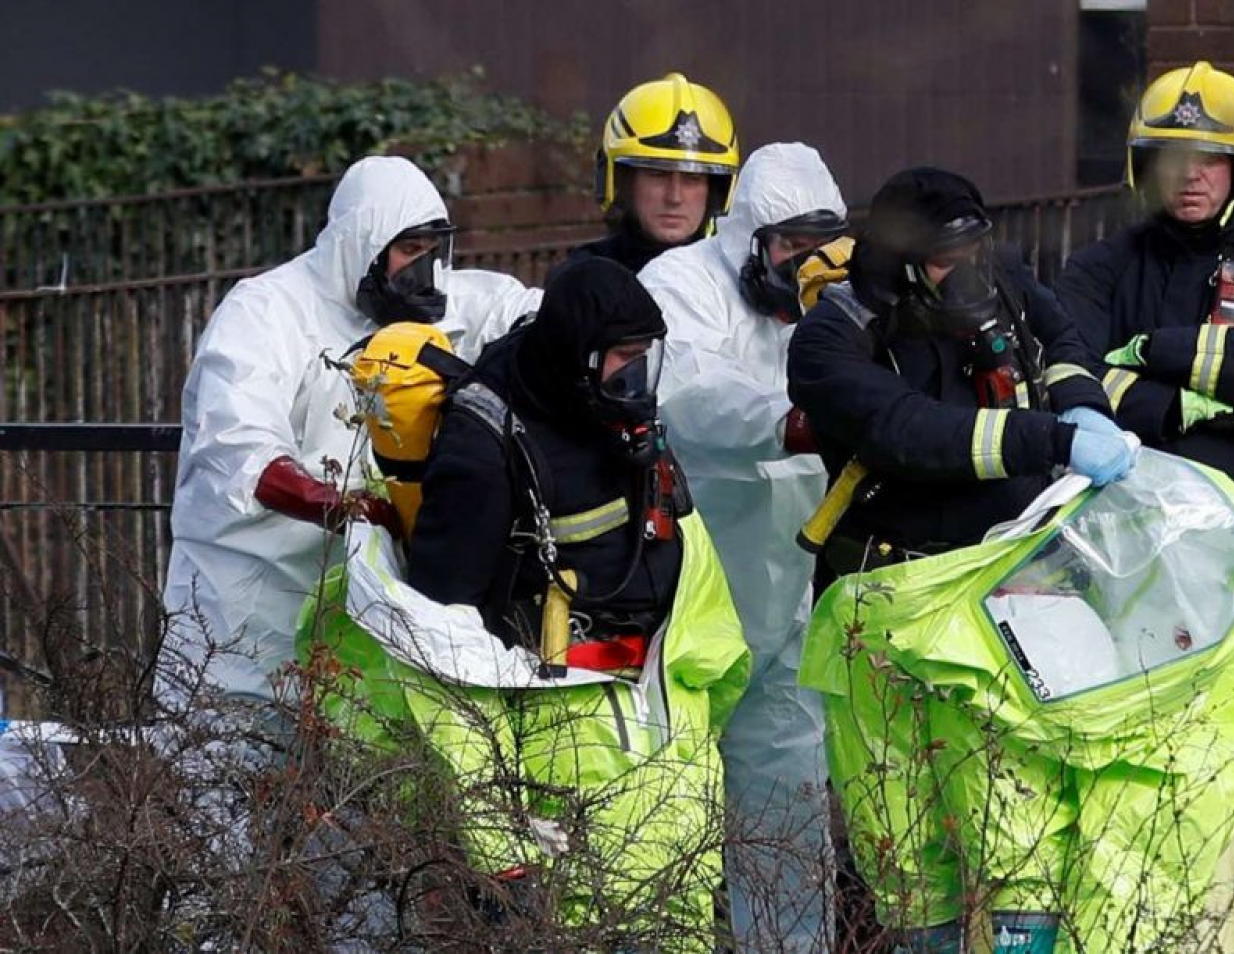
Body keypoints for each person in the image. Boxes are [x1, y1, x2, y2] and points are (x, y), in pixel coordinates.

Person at [786, 167, 1136, 950]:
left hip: (1014, 586)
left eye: (976, 248)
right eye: (949, 257)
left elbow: (1065, 339)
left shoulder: (999, 275)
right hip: (889, 600)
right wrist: (1051, 438)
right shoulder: (833, 336)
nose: (969, 270)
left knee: (1022, 823)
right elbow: (911, 433)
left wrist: (1082, 402)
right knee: (902, 839)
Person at [403, 258, 749, 944]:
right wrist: (500, 848)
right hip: (565, 764)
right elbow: (437, 648)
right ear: (576, 356)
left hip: (669, 743)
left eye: (643, 363)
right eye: (621, 362)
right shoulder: (487, 441)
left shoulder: (609, 417)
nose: (634, 383)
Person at [160, 156, 543, 710]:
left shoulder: (451, 308)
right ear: (360, 247)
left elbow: (541, 318)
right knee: (227, 772)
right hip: (247, 613)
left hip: (367, 619)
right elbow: (239, 449)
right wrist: (343, 506)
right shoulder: (266, 312)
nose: (426, 270)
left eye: (435, 250)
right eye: (409, 251)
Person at [638, 142, 848, 951]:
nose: (805, 264)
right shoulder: (683, 284)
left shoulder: (839, 296)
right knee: (665, 812)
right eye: (789, 246)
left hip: (790, 597)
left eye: (819, 243)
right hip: (693, 599)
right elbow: (689, 393)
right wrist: (794, 419)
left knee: (788, 820)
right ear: (750, 238)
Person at [1055, 60, 1234, 509]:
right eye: (1173, 159)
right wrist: (1177, 408)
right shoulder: (1098, 268)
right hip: (1122, 515)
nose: (1191, 175)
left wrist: (1148, 352)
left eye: (1210, 159)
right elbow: (1068, 379)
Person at [564, 72, 740, 274]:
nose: (674, 197)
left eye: (692, 179)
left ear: (715, 191)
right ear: (623, 182)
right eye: (658, 175)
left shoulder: (736, 279)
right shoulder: (582, 281)